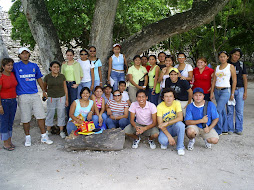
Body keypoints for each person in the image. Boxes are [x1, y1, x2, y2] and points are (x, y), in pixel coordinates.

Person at [13, 47, 53, 146]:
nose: (25, 55)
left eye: (27, 53)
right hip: (23, 95)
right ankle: (27, 137)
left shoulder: (34, 66)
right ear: (19, 55)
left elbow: (39, 79)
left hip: (34, 94)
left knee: (41, 115)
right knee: (25, 118)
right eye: (23, 53)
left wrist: (44, 91)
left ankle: (44, 136)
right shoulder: (15, 66)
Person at [210, 51, 236, 135]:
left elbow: (234, 80)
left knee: (217, 110)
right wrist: (211, 92)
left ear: (227, 57)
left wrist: (232, 93)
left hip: (226, 90)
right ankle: (224, 129)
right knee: (222, 111)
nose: (222, 58)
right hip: (217, 91)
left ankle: (217, 129)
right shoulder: (217, 67)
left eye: (224, 56)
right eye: (221, 56)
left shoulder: (230, 66)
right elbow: (214, 80)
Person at [157, 88, 185, 156]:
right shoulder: (159, 106)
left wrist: (168, 122)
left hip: (175, 126)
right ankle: (167, 140)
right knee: (163, 141)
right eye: (166, 96)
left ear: (174, 97)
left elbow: (180, 118)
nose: (168, 98)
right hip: (165, 128)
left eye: (170, 96)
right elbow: (160, 124)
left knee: (181, 125)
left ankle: (180, 147)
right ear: (163, 98)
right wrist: (169, 137)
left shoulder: (177, 103)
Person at [44, 61, 68, 139]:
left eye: (57, 67)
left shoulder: (62, 76)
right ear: (51, 68)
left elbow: (65, 88)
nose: (56, 68)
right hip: (51, 97)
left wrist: (66, 99)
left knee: (61, 113)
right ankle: (48, 130)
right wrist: (45, 94)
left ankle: (61, 131)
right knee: (50, 113)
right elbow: (44, 87)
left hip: (61, 96)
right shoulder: (47, 77)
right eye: (54, 67)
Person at [227, 48, 247, 135]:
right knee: (230, 110)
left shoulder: (241, 65)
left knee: (239, 110)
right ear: (231, 54)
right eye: (235, 54)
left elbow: (245, 78)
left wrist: (245, 92)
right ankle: (230, 128)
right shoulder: (226, 64)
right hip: (228, 89)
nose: (236, 56)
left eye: (238, 55)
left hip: (240, 89)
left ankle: (239, 129)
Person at [0, 58, 17, 151]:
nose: (10, 67)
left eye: (11, 65)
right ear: (3, 66)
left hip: (13, 101)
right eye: (8, 65)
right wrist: (0, 106)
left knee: (10, 122)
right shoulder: (1, 77)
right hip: (4, 101)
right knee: (4, 122)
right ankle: (5, 143)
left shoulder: (13, 74)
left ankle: (10, 141)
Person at [61, 49, 83, 117]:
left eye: (71, 55)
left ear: (73, 55)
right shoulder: (64, 64)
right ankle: (68, 118)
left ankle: (74, 117)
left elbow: (81, 75)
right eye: (68, 55)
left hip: (73, 83)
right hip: (66, 83)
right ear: (66, 56)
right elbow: (62, 75)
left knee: (73, 101)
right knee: (66, 101)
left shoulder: (77, 64)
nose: (69, 57)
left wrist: (77, 84)